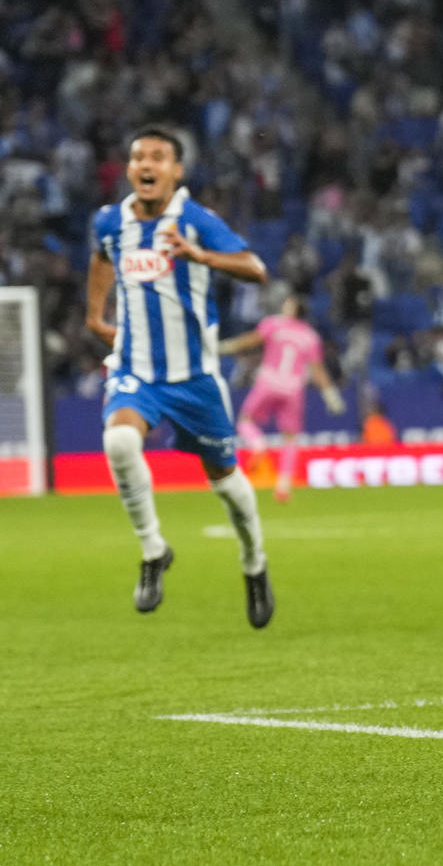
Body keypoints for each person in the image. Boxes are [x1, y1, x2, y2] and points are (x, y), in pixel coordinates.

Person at [84, 125, 274, 626]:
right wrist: (94, 314)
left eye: (158, 157)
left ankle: (254, 562)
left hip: (194, 378)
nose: (146, 165)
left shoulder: (194, 220)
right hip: (135, 369)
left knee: (226, 484)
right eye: (138, 156)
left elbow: (256, 268)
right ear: (130, 169)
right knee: (120, 444)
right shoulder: (111, 220)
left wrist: (201, 256)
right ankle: (153, 551)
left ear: (175, 171)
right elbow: (102, 258)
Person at [220, 294, 347, 503]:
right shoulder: (310, 336)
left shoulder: (274, 324)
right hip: (293, 389)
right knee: (290, 438)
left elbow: (251, 340)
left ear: (292, 308)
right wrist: (330, 396)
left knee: (245, 420)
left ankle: (258, 444)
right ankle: (284, 484)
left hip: (268, 381)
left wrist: (225, 347)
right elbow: (317, 369)